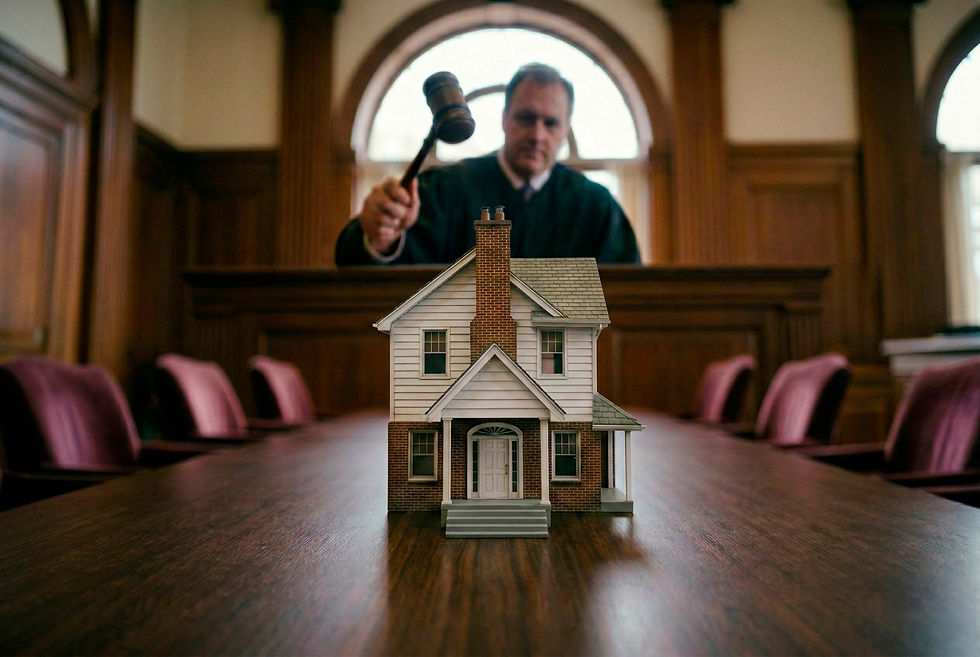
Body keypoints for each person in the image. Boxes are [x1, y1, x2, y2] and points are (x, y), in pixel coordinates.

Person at [334, 63, 640, 265]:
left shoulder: (596, 207)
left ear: (565, 132)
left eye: (551, 123)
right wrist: (381, 238)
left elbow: (626, 297)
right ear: (504, 119)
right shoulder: (444, 189)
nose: (537, 134)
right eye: (525, 118)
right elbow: (357, 262)